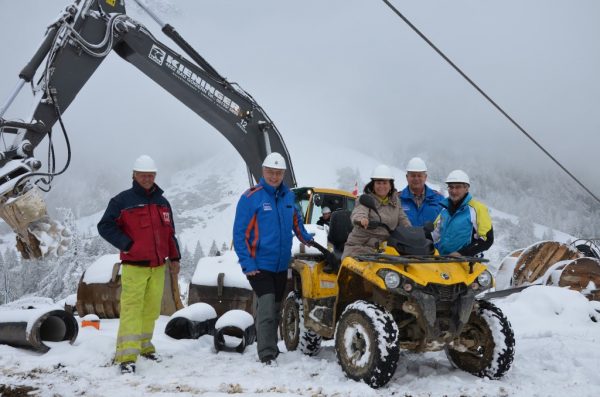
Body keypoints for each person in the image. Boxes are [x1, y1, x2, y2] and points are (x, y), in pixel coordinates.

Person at [97, 155, 180, 375]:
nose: (147, 178)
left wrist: (175, 258)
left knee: (151, 310)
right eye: (143, 175)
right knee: (132, 311)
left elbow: (170, 233)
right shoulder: (122, 201)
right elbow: (104, 226)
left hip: (158, 266)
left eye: (151, 175)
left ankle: (144, 346)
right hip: (135, 266)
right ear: (134, 175)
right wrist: (127, 244)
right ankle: (126, 357)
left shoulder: (163, 203)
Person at [233, 152, 314, 365]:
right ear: (263, 172)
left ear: (283, 174)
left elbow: (296, 221)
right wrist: (247, 263)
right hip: (259, 264)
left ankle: (270, 346)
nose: (274, 176)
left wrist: (307, 238)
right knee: (267, 306)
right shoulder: (251, 198)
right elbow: (239, 234)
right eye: (270, 172)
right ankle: (267, 353)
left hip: (280, 264)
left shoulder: (288, 197)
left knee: (275, 308)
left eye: (278, 173)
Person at [342, 164, 411, 259]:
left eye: (385, 183)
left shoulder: (395, 202)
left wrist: (412, 233)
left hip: (386, 248)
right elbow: (359, 211)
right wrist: (362, 220)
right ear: (373, 185)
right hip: (360, 247)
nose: (381, 186)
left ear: (390, 185)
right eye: (378, 183)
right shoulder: (365, 199)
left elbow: (403, 219)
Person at [432, 170, 493, 257]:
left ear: (466, 188)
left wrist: (462, 253)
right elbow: (433, 235)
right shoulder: (444, 211)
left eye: (458, 187)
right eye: (451, 187)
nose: (453, 191)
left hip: (467, 264)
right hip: (443, 262)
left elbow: (487, 239)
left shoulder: (478, 209)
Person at [399, 157, 444, 227]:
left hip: (430, 238)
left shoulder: (439, 199)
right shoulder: (397, 199)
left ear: (425, 177)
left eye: (419, 175)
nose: (416, 179)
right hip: (404, 238)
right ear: (407, 177)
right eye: (413, 175)